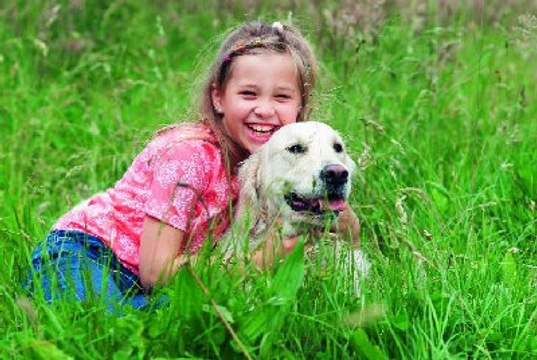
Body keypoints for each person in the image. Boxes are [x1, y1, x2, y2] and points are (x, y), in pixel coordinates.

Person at [24, 20, 361, 312]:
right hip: (85, 254)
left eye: (282, 97)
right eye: (248, 93)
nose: (265, 109)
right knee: (119, 324)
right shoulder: (189, 157)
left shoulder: (282, 160)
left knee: (200, 314)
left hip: (166, 278)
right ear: (218, 98)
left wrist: (340, 220)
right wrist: (260, 262)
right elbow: (155, 272)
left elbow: (336, 233)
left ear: (300, 105)